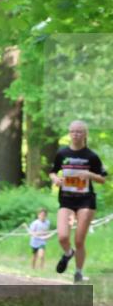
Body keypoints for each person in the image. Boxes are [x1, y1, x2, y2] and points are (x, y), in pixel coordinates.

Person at [50, 121, 107, 283]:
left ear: (85, 134)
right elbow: (53, 172)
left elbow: (102, 178)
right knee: (62, 236)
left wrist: (90, 175)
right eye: (73, 132)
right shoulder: (62, 153)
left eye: (79, 132)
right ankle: (68, 253)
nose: (76, 134)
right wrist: (56, 179)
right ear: (69, 133)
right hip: (66, 199)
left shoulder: (91, 156)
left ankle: (78, 273)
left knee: (79, 240)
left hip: (86, 201)